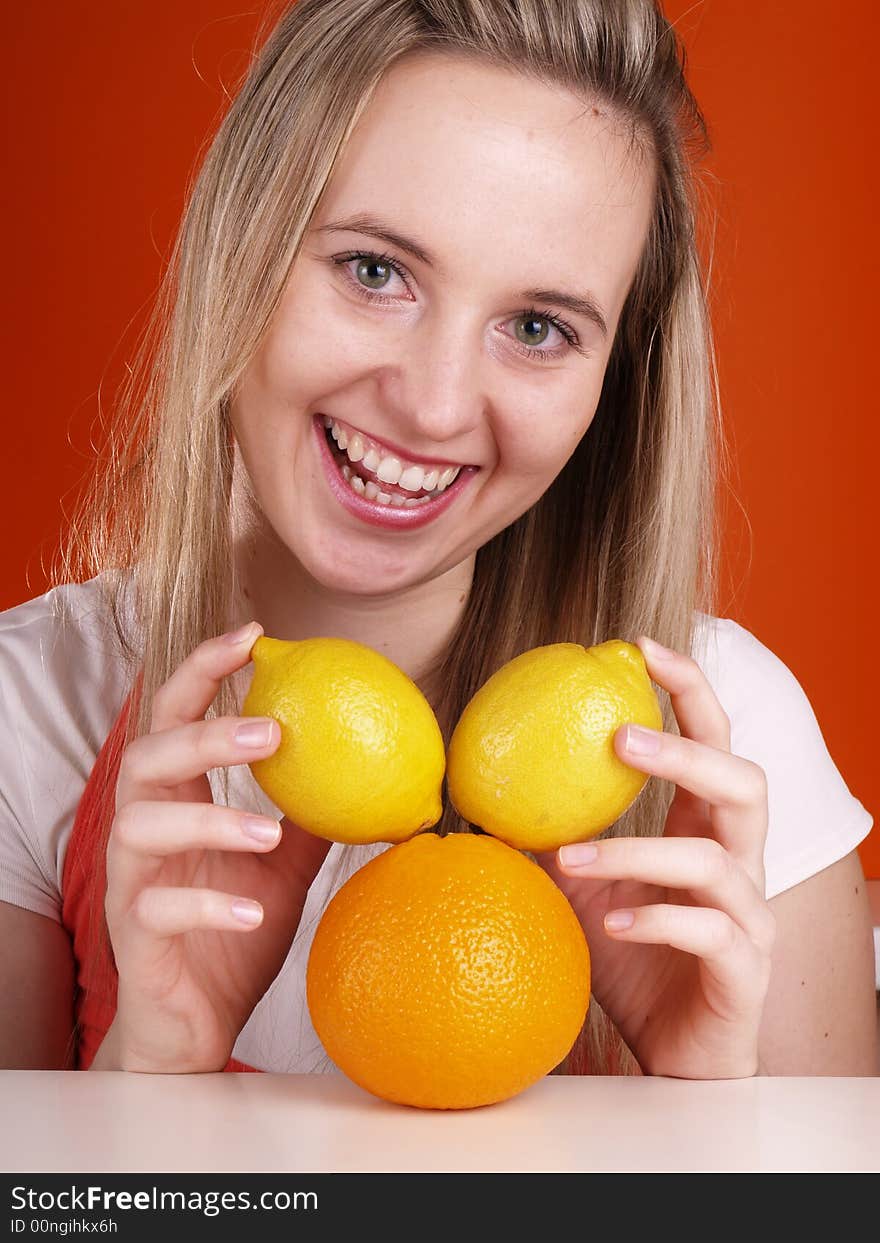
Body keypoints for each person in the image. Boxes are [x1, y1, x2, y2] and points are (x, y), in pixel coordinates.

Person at [0, 0, 876, 1079]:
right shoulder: (27, 710)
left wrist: (697, 1107)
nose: (432, 405)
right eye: (374, 270)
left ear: (614, 384)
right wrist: (156, 1070)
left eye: (538, 327)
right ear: (244, 244)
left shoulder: (724, 745)